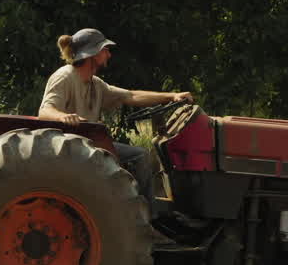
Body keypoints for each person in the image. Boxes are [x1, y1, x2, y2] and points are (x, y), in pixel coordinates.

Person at [37, 28, 192, 215]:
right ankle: (146, 215)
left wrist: (172, 96)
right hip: (69, 147)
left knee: (138, 155)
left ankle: (144, 213)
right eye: (105, 49)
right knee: (139, 156)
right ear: (92, 53)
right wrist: (62, 116)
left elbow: (131, 95)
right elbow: (45, 110)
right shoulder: (65, 76)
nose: (109, 54)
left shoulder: (95, 84)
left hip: (88, 145)